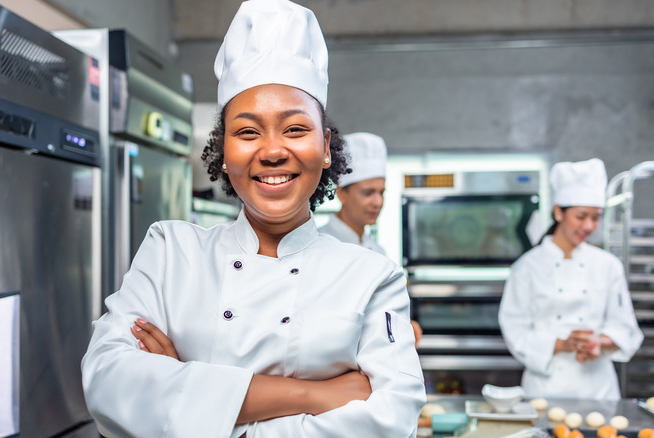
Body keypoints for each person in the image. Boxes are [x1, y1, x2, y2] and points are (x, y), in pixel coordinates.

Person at [80, 1, 426, 436]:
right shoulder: (171, 251)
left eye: (295, 129)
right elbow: (108, 381)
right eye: (247, 131)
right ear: (224, 152)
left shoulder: (373, 276)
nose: (273, 150)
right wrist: (313, 395)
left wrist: (192, 403)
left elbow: (392, 421)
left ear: (324, 146)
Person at [497, 158, 643, 400]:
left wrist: (599, 342)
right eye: (581, 216)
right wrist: (562, 344)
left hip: (598, 390)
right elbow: (515, 330)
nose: (589, 225)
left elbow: (626, 328)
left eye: (596, 217)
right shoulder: (526, 267)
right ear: (558, 212)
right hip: (545, 390)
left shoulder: (608, 266)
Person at [318, 132, 424, 346]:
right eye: (368, 193)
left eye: (381, 192)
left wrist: (403, 326)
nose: (377, 202)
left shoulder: (376, 250)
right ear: (342, 194)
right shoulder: (321, 247)